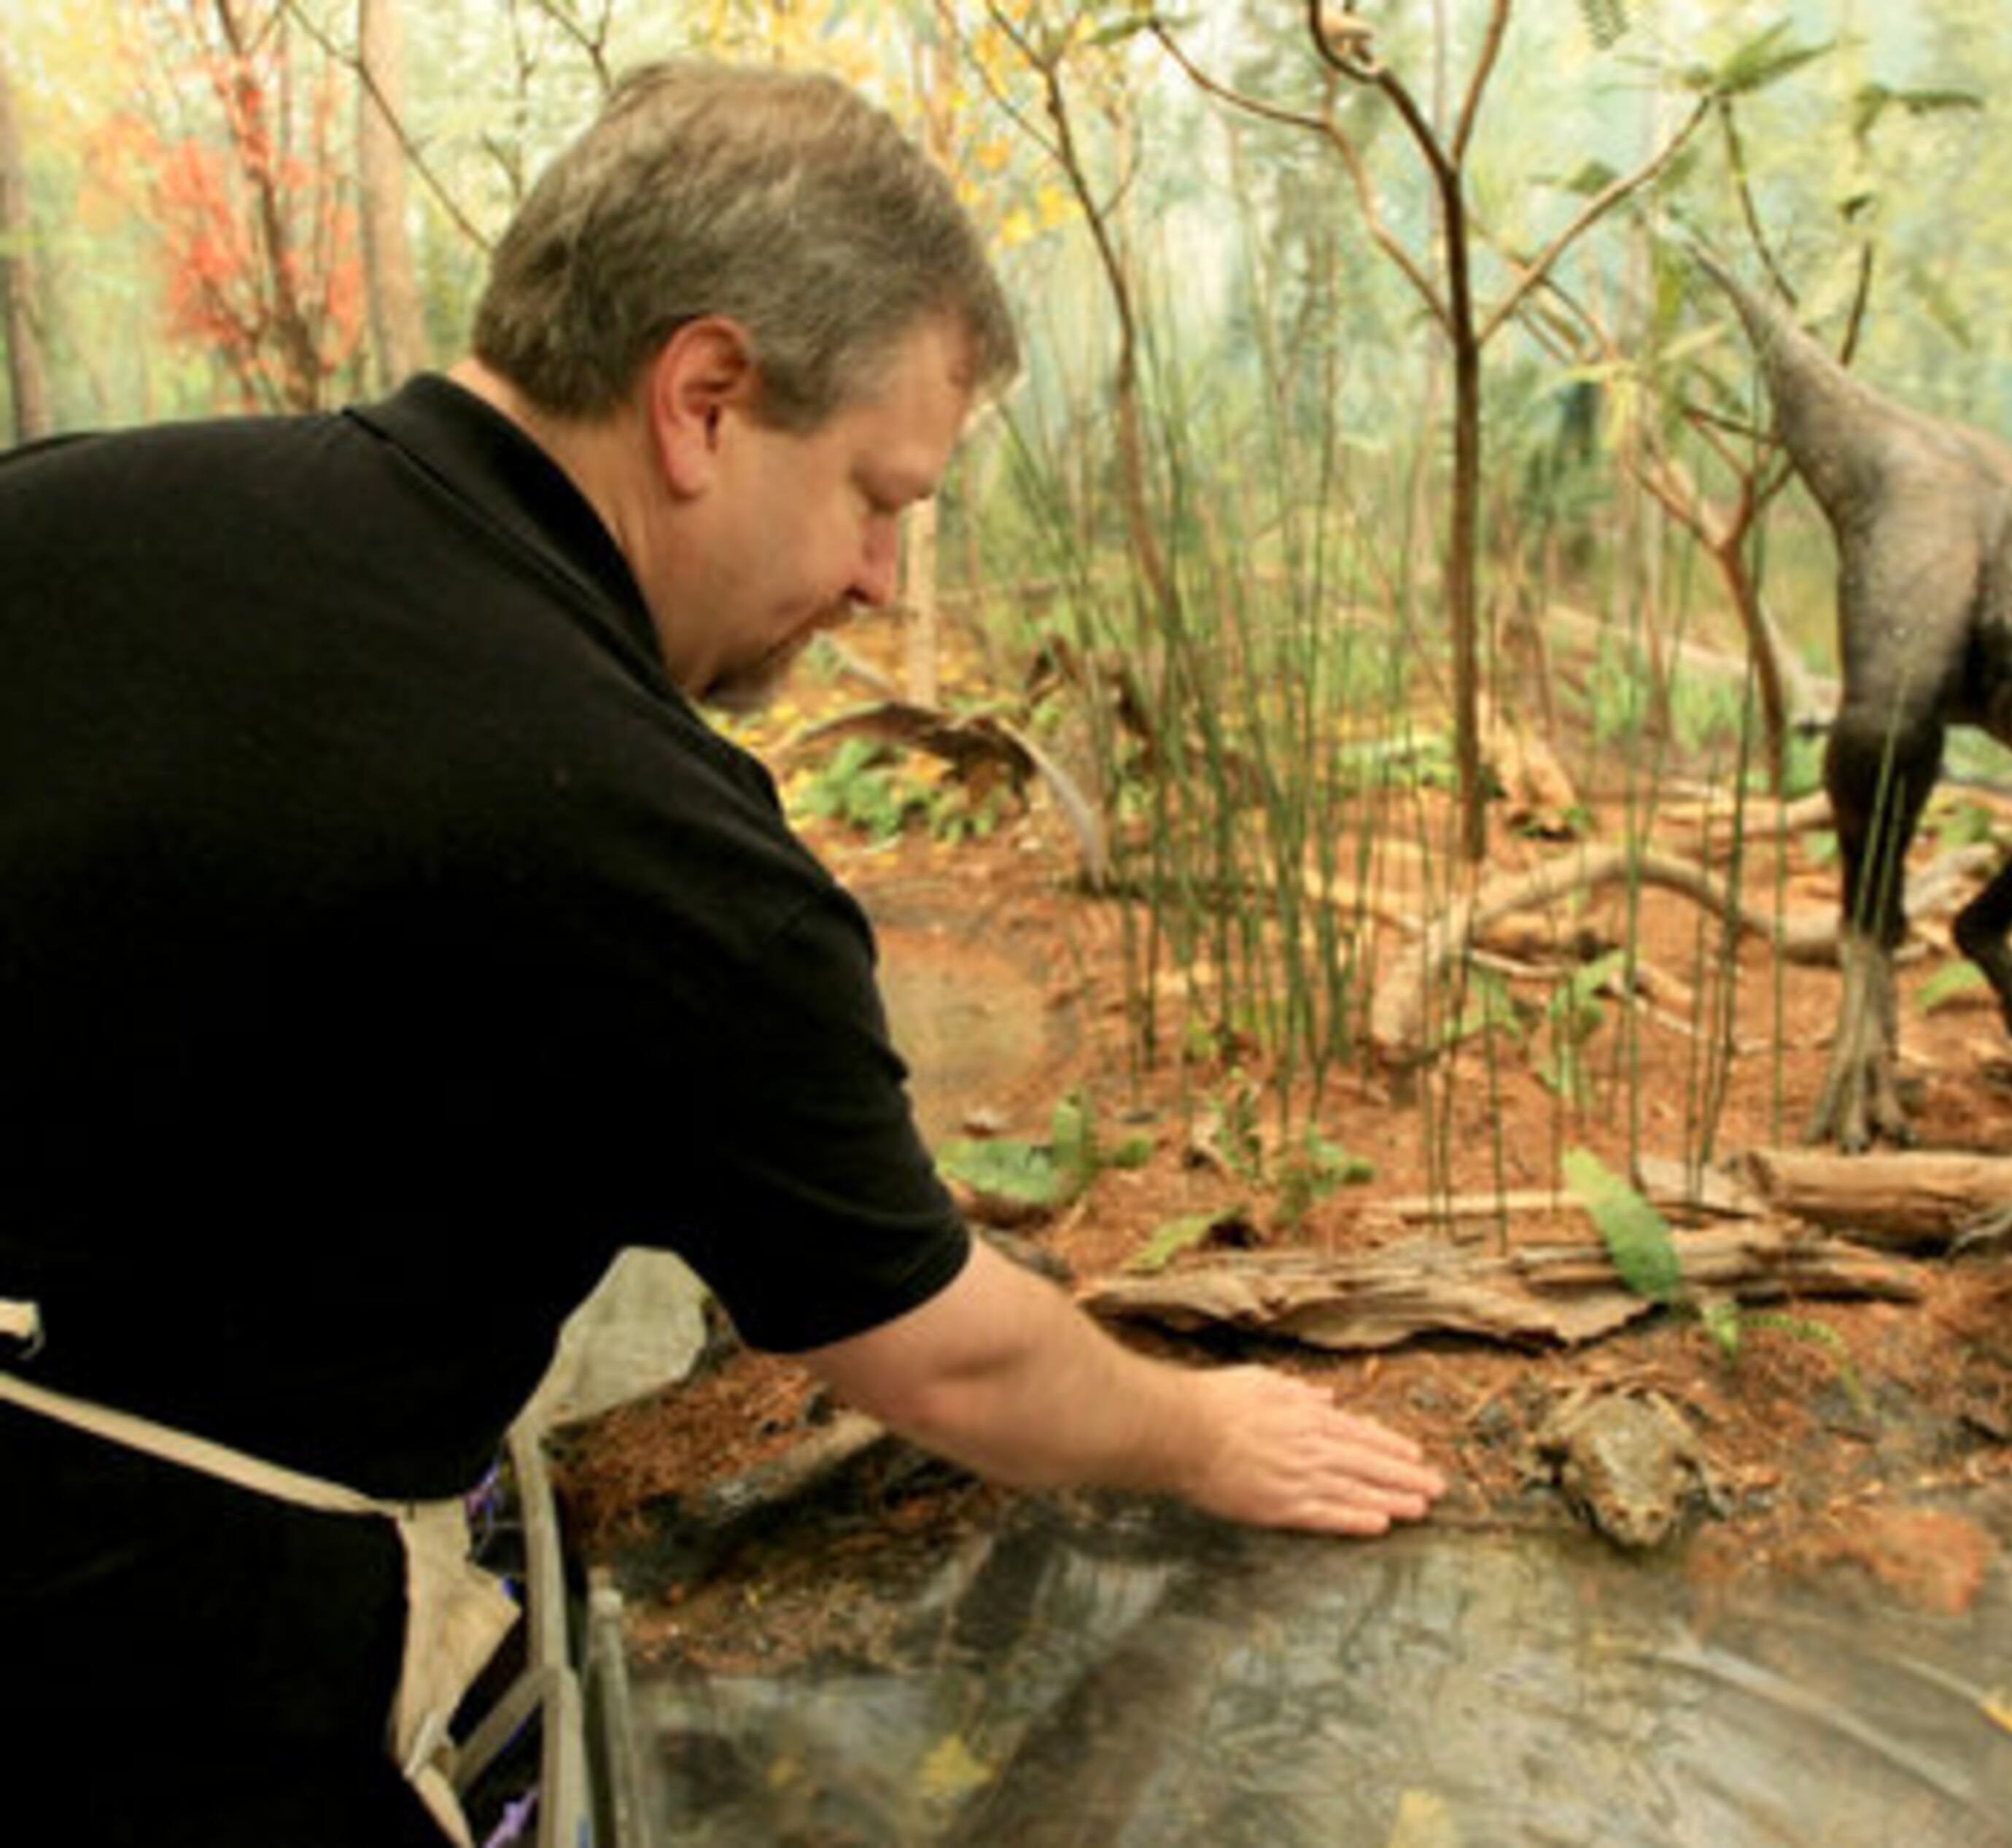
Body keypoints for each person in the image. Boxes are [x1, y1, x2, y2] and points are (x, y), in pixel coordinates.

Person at [0, 61, 1442, 1847]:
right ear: (702, 400)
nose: (885, 584)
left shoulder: (64, 512)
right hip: (148, 1663)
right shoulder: (649, 842)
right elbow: (938, 1355)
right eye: (875, 496)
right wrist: (1204, 1435)